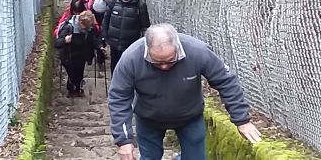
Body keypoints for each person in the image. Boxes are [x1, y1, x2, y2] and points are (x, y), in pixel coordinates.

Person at [108, 23, 262, 160]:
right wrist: (124, 140)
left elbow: (226, 81)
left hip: (190, 117)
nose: (164, 67)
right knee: (149, 157)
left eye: (169, 61)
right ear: (147, 49)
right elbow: (119, 97)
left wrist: (242, 120)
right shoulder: (131, 58)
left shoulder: (197, 52)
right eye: (157, 62)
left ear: (177, 47)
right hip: (148, 119)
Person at [101, 0, 150, 76]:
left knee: (128, 65)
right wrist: (104, 37)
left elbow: (145, 26)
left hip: (130, 44)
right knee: (114, 65)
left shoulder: (140, 6)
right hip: (114, 42)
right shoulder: (113, 1)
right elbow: (105, 20)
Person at [55, 10, 104, 97]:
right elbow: (57, 43)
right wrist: (65, 40)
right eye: (85, 28)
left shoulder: (88, 27)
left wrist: (99, 46)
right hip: (68, 56)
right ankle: (71, 90)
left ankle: (78, 89)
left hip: (81, 55)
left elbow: (93, 39)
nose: (86, 30)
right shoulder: (68, 27)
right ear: (80, 22)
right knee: (72, 75)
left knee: (79, 74)